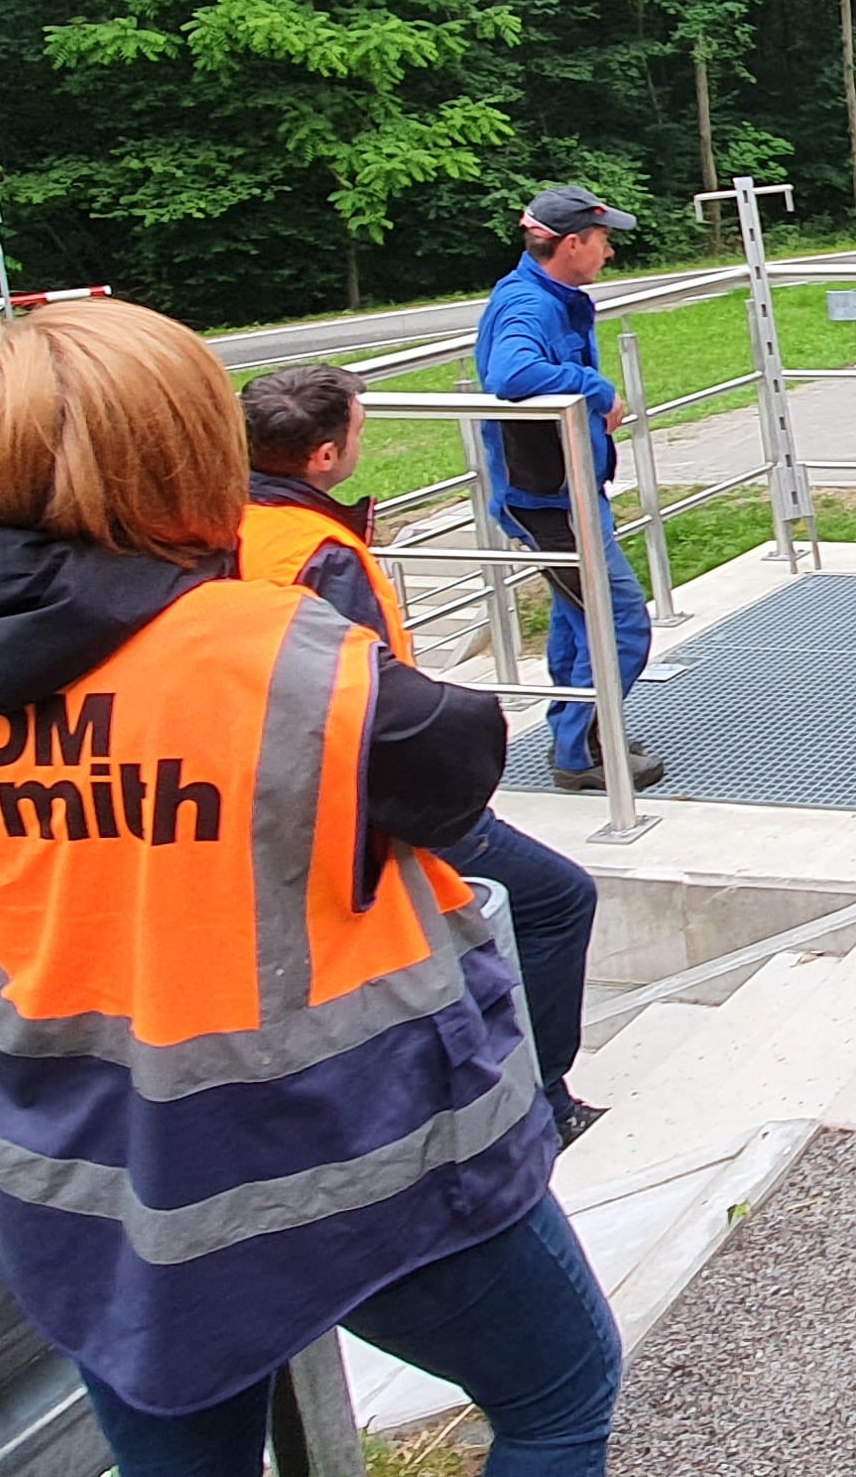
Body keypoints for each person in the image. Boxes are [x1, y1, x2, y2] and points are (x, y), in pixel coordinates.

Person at [0, 301, 614, 1477]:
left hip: (75, 1172)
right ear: (184, 457)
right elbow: (445, 773)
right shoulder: (276, 658)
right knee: (559, 1396)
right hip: (349, 1150)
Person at [239, 361, 611, 1146]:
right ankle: (539, 1101)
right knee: (555, 900)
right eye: (357, 429)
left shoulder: (223, 527)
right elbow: (362, 700)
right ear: (324, 457)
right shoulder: (320, 554)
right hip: (357, 799)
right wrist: (448, 774)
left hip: (254, 790)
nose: (361, 439)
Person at [473, 187, 657, 792]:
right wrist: (595, 388)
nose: (610, 252)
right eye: (603, 241)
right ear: (572, 243)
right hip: (550, 502)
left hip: (564, 492)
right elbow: (511, 374)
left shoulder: (551, 297)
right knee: (618, 621)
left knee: (575, 621)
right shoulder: (529, 304)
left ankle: (581, 729)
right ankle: (580, 752)